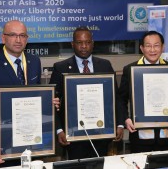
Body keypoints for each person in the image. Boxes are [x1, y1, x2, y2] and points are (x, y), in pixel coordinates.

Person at [0, 20, 59, 168]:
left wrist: (49, 103)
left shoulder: (34, 62)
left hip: (31, 140)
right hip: (2, 145)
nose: (18, 40)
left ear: (27, 39)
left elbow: (35, 97)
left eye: (22, 35)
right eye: (13, 35)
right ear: (3, 38)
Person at [49, 26, 124, 159]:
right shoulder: (60, 68)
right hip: (73, 136)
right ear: (73, 44)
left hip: (101, 132)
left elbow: (116, 97)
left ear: (93, 44)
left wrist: (119, 123)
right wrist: (59, 130)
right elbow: (52, 103)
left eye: (88, 42)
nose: (84, 46)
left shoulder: (105, 65)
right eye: (79, 42)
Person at [119, 31, 168, 153]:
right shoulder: (130, 70)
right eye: (148, 46)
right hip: (140, 137)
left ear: (163, 47)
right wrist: (125, 119)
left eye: (156, 45)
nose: (152, 50)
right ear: (141, 48)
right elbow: (121, 100)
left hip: (165, 137)